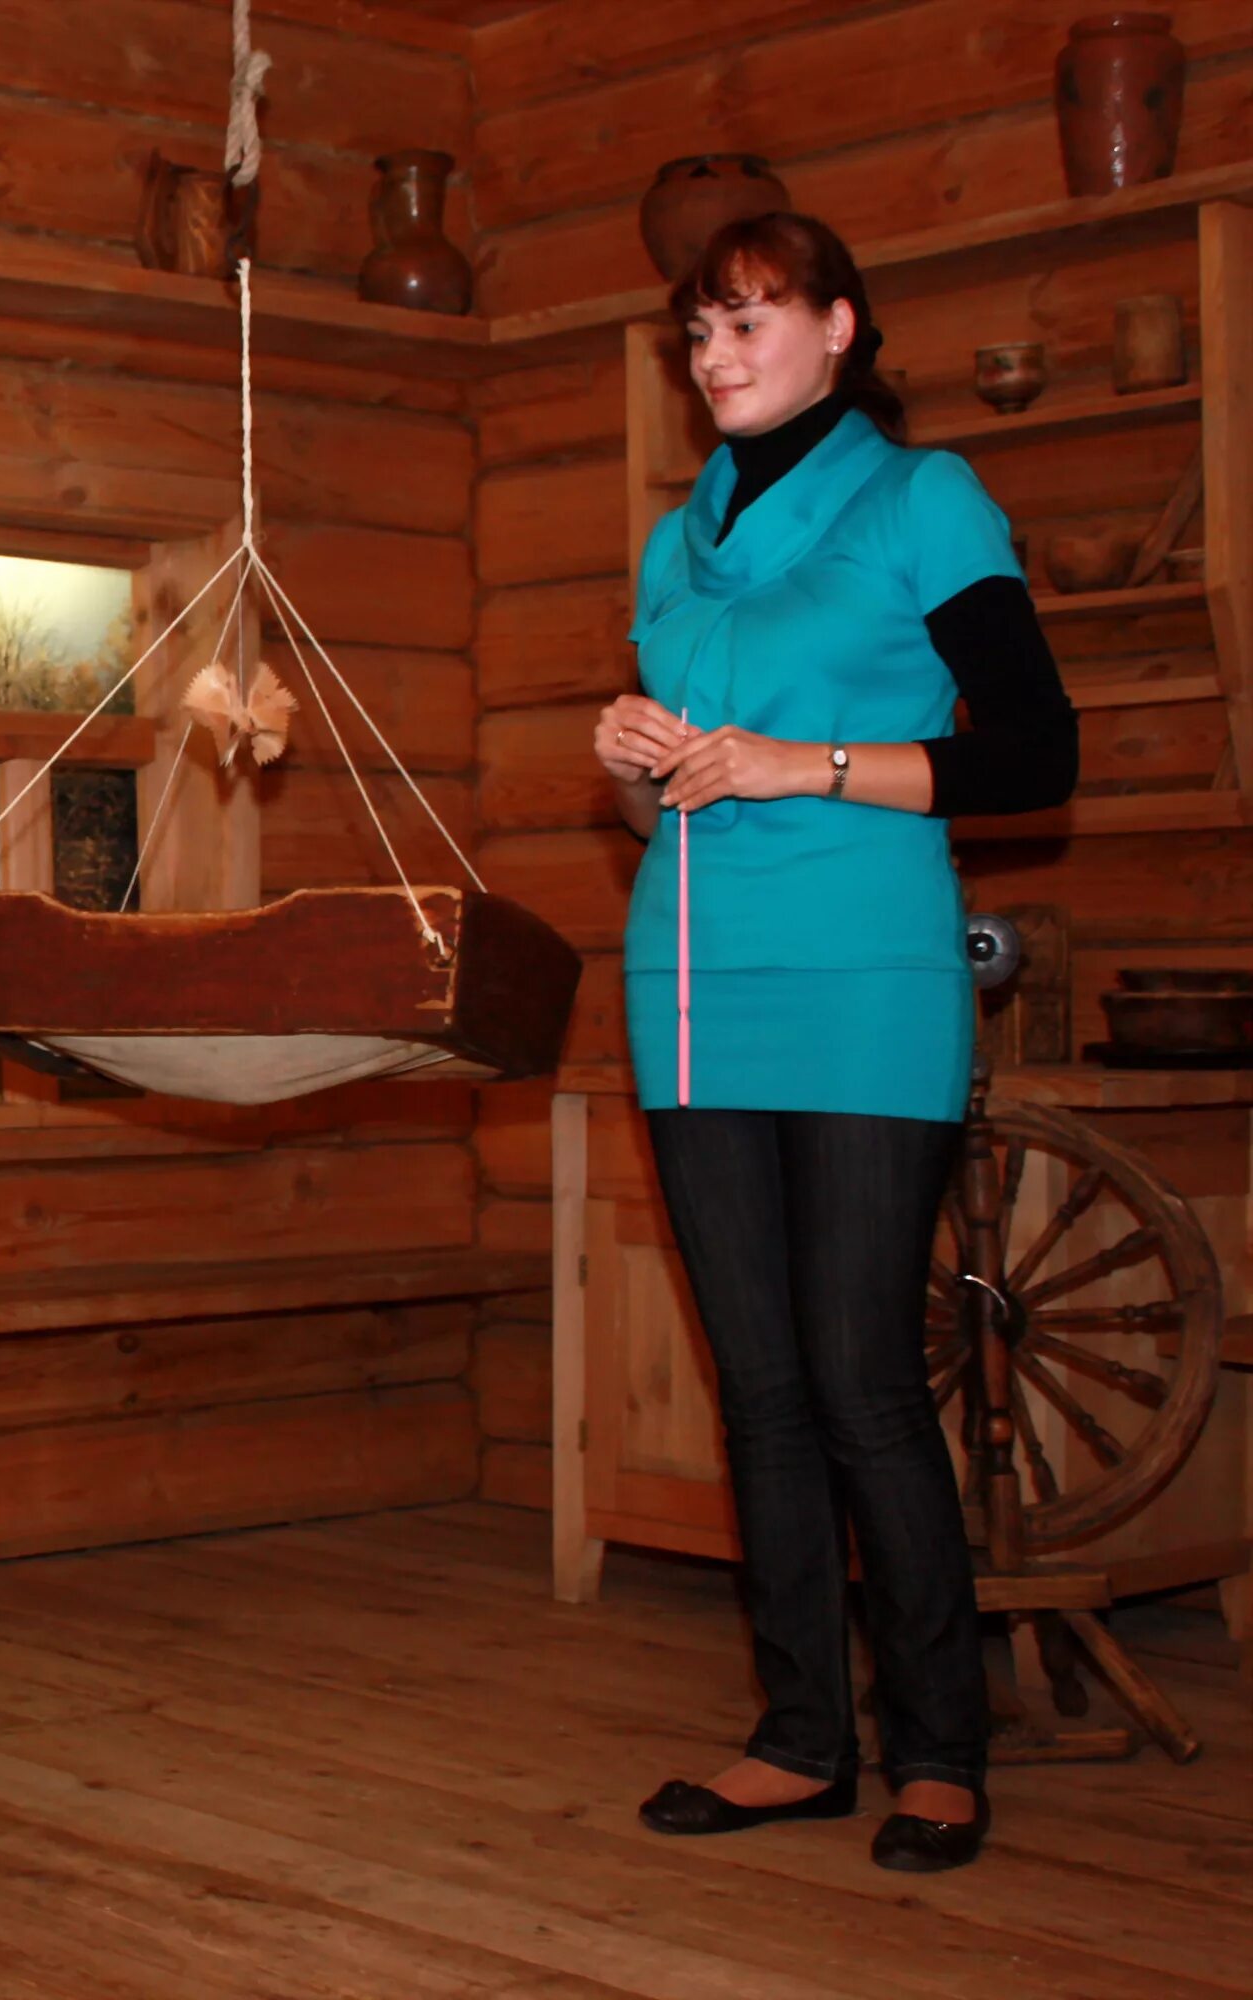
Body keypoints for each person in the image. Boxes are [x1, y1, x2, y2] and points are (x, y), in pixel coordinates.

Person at [594, 211, 1078, 1875]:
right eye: (698, 335)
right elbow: (685, 768)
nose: (717, 359)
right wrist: (637, 754)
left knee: (866, 1380)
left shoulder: (919, 500)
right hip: (687, 983)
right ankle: (802, 1734)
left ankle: (940, 1746)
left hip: (866, 976)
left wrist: (804, 763)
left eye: (748, 324)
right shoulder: (675, 544)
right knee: (763, 1391)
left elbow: (1030, 751)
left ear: (841, 329)